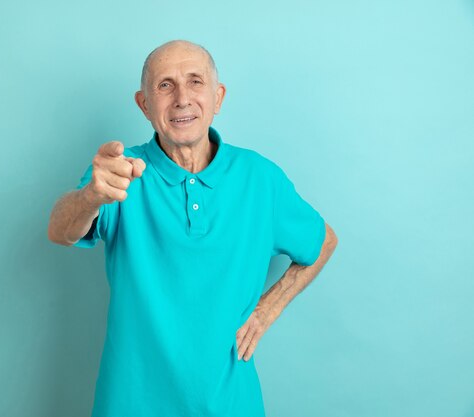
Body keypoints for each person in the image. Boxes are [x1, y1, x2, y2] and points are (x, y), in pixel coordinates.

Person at [47, 39, 338, 417]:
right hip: (131, 402)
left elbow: (323, 241)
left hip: (231, 403)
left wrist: (269, 307)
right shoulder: (120, 171)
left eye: (195, 82)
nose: (182, 98)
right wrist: (90, 196)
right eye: (165, 85)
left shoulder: (259, 178)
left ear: (218, 98)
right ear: (144, 104)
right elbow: (59, 230)